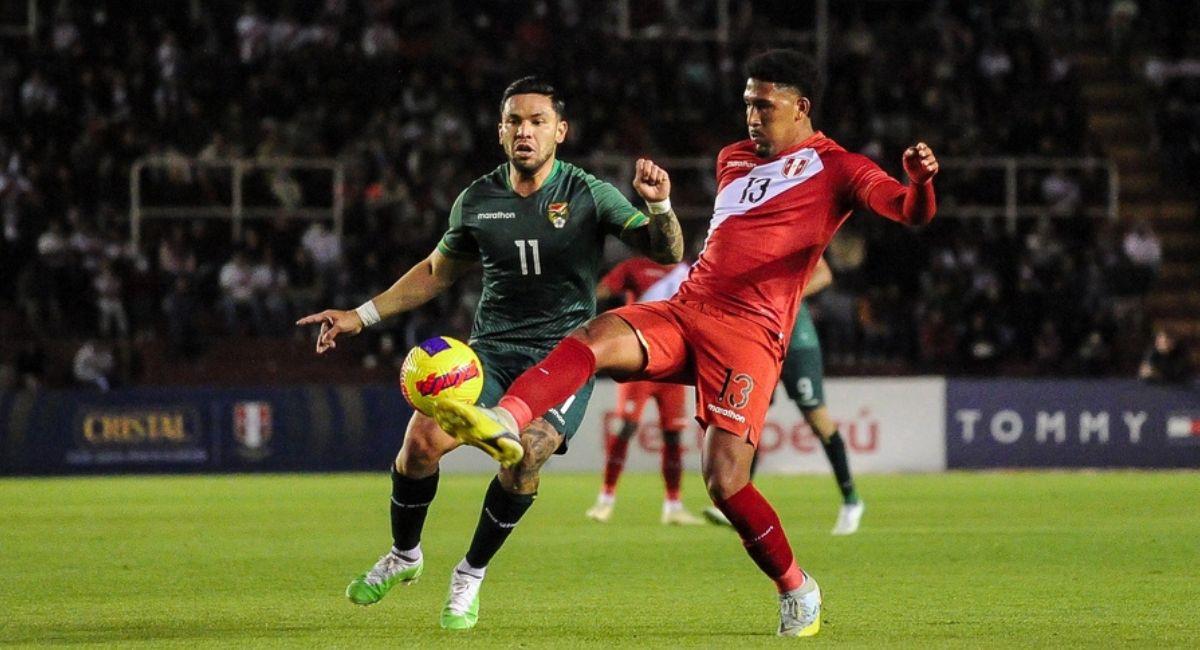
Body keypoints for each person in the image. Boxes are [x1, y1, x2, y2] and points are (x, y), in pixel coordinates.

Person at [433, 49, 939, 637]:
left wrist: (921, 182)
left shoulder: (842, 169)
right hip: (689, 308)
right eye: (747, 102)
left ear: (800, 107)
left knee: (725, 482)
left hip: (751, 335)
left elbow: (909, 212)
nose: (751, 115)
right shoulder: (733, 159)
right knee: (592, 335)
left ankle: (797, 587)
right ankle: (505, 416)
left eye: (764, 105)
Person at [295, 76, 683, 630]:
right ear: (501, 132)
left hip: (563, 356)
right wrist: (362, 315)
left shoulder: (588, 193)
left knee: (527, 453)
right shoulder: (477, 200)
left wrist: (662, 206)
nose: (525, 131)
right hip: (491, 353)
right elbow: (435, 273)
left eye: (537, 121)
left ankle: (470, 573)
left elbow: (666, 250)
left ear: (560, 131)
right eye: (515, 122)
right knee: (420, 444)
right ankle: (405, 556)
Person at [702, 258, 866, 535]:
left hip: (797, 342)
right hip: (758, 341)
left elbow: (824, 274)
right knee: (749, 418)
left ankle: (851, 500)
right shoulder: (740, 241)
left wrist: (788, 294)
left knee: (817, 420)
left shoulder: (787, 236)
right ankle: (735, 504)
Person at [584, 256, 702, 525]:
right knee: (625, 427)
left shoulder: (689, 272)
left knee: (673, 435)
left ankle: (673, 505)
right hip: (641, 360)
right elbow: (603, 290)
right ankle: (605, 500)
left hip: (674, 363)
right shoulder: (634, 266)